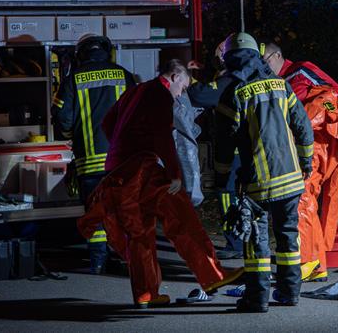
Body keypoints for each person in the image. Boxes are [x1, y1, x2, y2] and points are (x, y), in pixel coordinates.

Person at [77, 59, 242, 308]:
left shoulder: (135, 91)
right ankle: (212, 276)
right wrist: (175, 174)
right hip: (142, 168)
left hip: (118, 171)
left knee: (139, 233)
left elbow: (107, 123)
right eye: (184, 87)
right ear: (175, 77)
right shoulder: (161, 95)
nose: (182, 93)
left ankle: (146, 294)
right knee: (182, 217)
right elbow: (162, 136)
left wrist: (122, 147)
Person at [214, 33, 315, 313]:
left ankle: (257, 299)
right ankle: (289, 293)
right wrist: (306, 163)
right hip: (291, 180)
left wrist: (222, 180)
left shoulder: (234, 92)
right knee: (287, 238)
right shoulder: (283, 85)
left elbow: (223, 144)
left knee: (256, 242)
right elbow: (304, 128)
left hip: (258, 184)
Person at [263, 42, 338, 283]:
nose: (265, 67)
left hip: (321, 143)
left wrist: (319, 121)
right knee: (319, 201)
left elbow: (335, 94)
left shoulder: (300, 70)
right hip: (319, 142)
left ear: (278, 55)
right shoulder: (281, 80)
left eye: (266, 60)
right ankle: (315, 261)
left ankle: (309, 260)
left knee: (304, 197)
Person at [52, 34, 134, 274]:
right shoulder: (123, 75)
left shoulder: (73, 79)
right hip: (121, 161)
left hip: (89, 162)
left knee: (96, 211)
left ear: (81, 54)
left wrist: (70, 133)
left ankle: (98, 262)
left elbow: (62, 117)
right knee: (122, 210)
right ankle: (126, 258)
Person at [186, 40, 243, 259]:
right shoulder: (240, 76)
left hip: (231, 150)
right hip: (239, 147)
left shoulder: (229, 79)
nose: (218, 55)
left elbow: (204, 94)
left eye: (222, 53)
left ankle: (235, 243)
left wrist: (187, 79)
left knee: (227, 193)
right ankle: (242, 241)